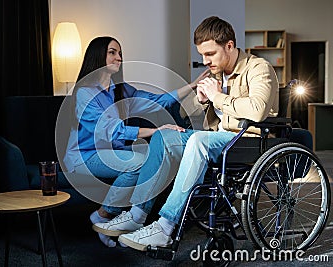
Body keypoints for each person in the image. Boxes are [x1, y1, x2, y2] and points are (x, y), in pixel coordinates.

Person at [93, 16, 279, 251]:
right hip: (217, 139)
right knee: (163, 136)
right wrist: (202, 102)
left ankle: (165, 226)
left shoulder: (258, 68)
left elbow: (258, 110)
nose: (205, 61)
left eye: (210, 54)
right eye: (202, 54)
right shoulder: (217, 74)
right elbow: (189, 115)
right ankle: (138, 214)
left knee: (199, 140)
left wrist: (217, 97)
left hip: (246, 141)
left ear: (229, 46)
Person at [64, 36, 209, 247]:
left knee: (152, 160)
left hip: (113, 153)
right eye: (112, 52)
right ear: (97, 56)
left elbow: (157, 101)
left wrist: (192, 86)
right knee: (139, 163)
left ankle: (130, 222)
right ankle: (103, 215)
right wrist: (156, 130)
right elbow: (111, 132)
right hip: (84, 156)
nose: (119, 57)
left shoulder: (120, 90)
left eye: (120, 53)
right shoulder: (85, 93)